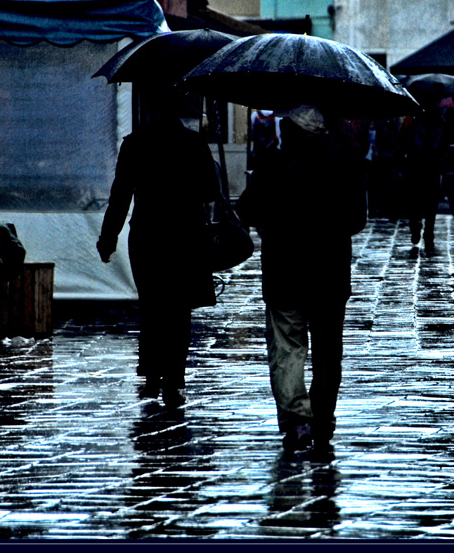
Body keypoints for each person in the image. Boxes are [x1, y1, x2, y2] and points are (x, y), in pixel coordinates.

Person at [235, 105, 367, 454]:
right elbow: (357, 220)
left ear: (292, 131)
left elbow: (247, 211)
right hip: (329, 275)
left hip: (284, 273)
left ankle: (297, 419)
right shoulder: (344, 165)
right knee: (328, 353)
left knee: (286, 350)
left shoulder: (272, 165)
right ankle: (322, 419)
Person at [96, 88, 220, 408]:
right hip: (185, 236)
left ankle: (152, 376)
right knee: (178, 309)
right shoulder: (194, 144)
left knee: (152, 306)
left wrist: (108, 239)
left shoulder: (135, 144)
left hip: (147, 236)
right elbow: (210, 192)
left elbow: (120, 196)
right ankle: (174, 380)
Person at [397, 104, 445, 250]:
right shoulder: (438, 124)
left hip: (417, 167)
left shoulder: (412, 123)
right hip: (429, 168)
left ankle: (418, 227)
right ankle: (427, 232)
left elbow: (401, 145)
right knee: (429, 202)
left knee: (415, 200)